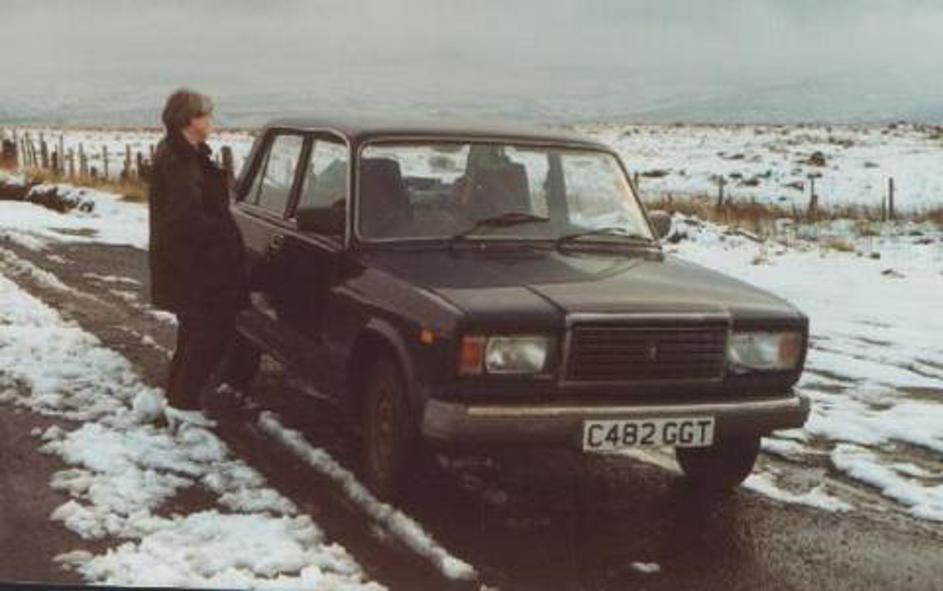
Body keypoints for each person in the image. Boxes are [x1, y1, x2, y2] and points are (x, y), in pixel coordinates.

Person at [148, 88, 255, 416]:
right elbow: (186, 219)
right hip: (196, 267)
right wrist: (221, 237)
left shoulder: (185, 154)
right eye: (206, 115)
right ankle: (185, 405)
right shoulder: (179, 161)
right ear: (190, 120)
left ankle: (178, 401)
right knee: (210, 335)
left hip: (193, 264)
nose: (211, 121)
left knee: (194, 334)